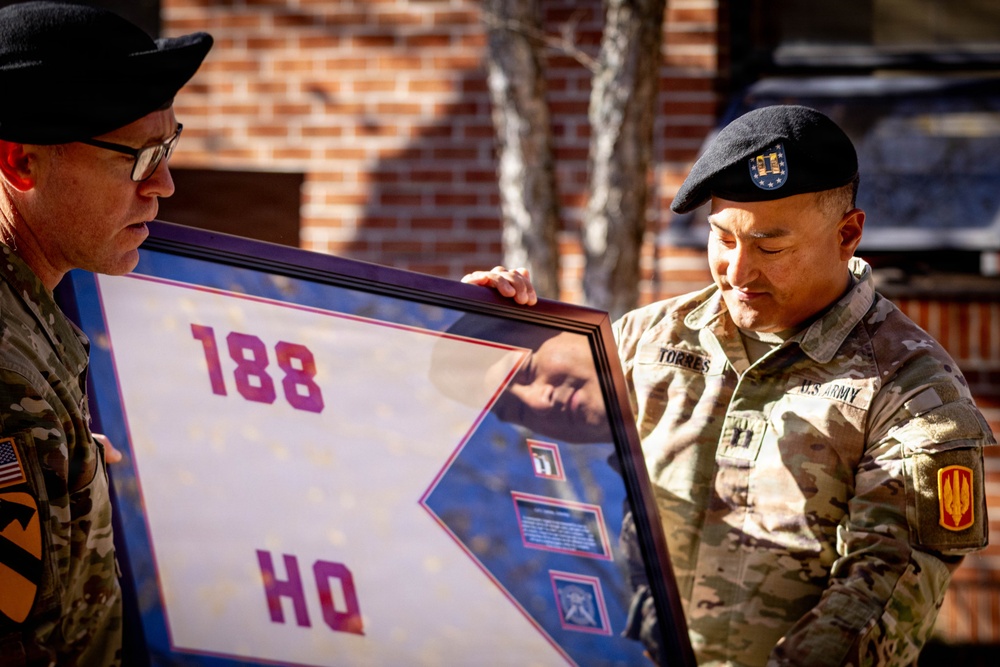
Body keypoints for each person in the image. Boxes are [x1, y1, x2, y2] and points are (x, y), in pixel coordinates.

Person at [463, 104, 995, 666]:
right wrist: (481, 325)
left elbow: (883, 594)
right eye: (723, 239)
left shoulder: (913, 388)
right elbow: (530, 470)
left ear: (848, 234)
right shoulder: (646, 339)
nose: (738, 274)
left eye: (771, 248)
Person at [0, 2, 211, 664]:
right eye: (141, 156)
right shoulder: (11, 386)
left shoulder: (31, 322)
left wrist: (452, 323)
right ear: (23, 163)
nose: (164, 185)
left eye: (168, 147)